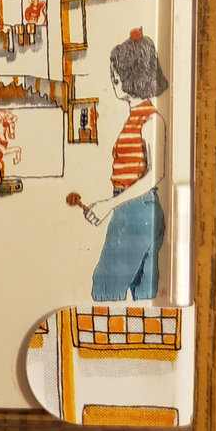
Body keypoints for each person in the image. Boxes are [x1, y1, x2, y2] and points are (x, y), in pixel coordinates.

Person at [69, 28, 168, 301]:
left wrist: (108, 205)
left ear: (129, 76)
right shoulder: (139, 119)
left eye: (115, 75)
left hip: (135, 211)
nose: (112, 81)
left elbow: (154, 175)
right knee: (144, 294)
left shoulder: (150, 120)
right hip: (144, 210)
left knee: (105, 289)